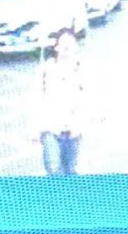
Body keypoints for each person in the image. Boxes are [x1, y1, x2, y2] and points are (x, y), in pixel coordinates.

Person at [37, 29, 85, 176]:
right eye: (63, 43)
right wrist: (34, 128)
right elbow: (36, 97)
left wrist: (80, 123)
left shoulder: (81, 70)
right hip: (50, 127)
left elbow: (87, 98)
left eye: (71, 43)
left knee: (71, 169)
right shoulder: (46, 70)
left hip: (73, 129)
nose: (67, 47)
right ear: (57, 47)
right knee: (53, 168)